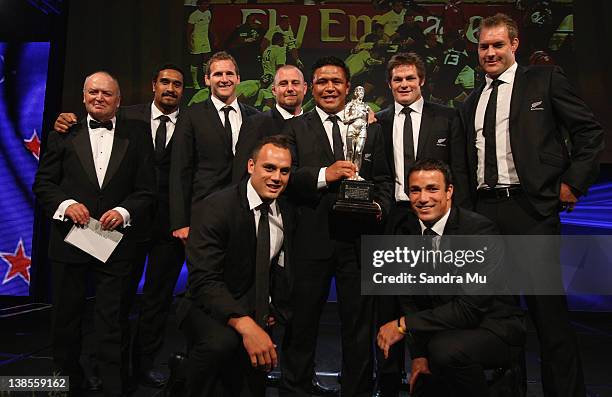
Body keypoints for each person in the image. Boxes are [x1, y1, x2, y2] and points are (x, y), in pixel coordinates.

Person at [451, 13, 604, 397]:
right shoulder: (470, 100)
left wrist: (572, 183)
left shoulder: (543, 79)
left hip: (531, 210)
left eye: (497, 45)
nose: (490, 52)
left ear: (514, 45)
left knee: (549, 316)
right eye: (484, 46)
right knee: (497, 318)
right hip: (485, 215)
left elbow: (589, 131)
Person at [53, 64, 187, 389]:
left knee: (152, 304)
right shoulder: (121, 115)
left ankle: (138, 370)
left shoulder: (194, 119)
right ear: (153, 84)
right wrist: (64, 121)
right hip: (106, 231)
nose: (170, 88)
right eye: (164, 82)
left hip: (166, 226)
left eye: (177, 84)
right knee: (111, 308)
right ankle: (97, 372)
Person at [33, 71, 156, 396]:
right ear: (84, 95)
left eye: (106, 93)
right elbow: (43, 184)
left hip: (115, 244)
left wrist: (124, 211)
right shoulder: (64, 130)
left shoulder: (139, 134)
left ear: (118, 100)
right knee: (65, 321)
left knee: (112, 321)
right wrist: (67, 203)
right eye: (92, 92)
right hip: (69, 241)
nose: (98, 98)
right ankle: (68, 384)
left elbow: (146, 189)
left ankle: (113, 386)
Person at [280, 56, 393, 397]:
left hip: (358, 241)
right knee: (301, 324)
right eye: (322, 82)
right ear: (311, 88)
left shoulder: (369, 126)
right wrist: (322, 175)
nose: (329, 88)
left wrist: (378, 206)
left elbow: (385, 180)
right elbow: (285, 177)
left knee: (358, 327)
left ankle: (357, 391)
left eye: (336, 82)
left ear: (348, 87)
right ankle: (295, 389)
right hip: (310, 241)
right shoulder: (294, 127)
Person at [377, 159, 525, 397]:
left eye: (432, 189)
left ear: (449, 191)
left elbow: (469, 309)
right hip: (444, 330)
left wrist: (403, 325)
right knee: (428, 375)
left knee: (444, 349)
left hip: (493, 327)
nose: (423, 198)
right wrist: (418, 356)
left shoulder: (478, 232)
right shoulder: (406, 231)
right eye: (415, 190)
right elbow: (409, 299)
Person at [177, 135, 294, 396]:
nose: (277, 177)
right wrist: (246, 324)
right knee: (221, 343)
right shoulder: (216, 207)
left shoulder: (287, 210)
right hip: (207, 304)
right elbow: (204, 280)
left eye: (284, 171)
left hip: (256, 303)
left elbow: (279, 268)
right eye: (269, 168)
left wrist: (270, 307)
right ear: (251, 166)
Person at [374, 52, 457, 395]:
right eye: (397, 79)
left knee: (431, 299)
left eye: (410, 78)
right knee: (389, 301)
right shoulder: (376, 121)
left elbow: (460, 170)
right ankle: (389, 382)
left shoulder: (448, 117)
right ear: (389, 84)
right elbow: (376, 172)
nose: (404, 84)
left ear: (421, 80)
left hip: (435, 219)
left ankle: (431, 379)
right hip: (393, 219)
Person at [170, 51, 259, 244]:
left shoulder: (255, 117)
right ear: (207, 80)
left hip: (246, 212)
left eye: (229, 74)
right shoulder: (191, 116)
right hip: (203, 211)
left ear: (238, 79)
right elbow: (179, 170)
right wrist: (180, 222)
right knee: (205, 272)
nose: (224, 79)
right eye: (218, 74)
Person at [249, 65, 308, 137]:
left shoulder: (318, 125)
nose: (290, 89)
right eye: (283, 84)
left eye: (295, 83)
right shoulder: (254, 124)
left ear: (304, 88)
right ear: (273, 90)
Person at [187, 0, 213, 90]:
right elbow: (189, 30)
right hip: (196, 39)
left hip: (205, 39)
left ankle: (205, 81)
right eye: (204, 3)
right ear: (199, 4)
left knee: (206, 59)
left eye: (207, 3)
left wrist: (213, 36)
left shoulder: (208, 13)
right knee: (195, 60)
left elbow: (209, 27)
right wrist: (189, 41)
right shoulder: (194, 15)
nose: (206, 5)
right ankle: (195, 82)